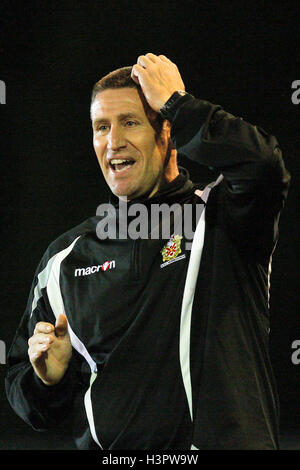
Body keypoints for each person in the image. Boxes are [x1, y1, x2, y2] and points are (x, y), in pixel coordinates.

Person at [5, 53, 290, 450]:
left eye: (131, 122)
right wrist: (47, 381)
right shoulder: (67, 258)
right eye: (101, 127)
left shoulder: (223, 220)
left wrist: (178, 102)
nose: (113, 142)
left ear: (168, 133)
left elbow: (264, 166)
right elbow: (26, 392)